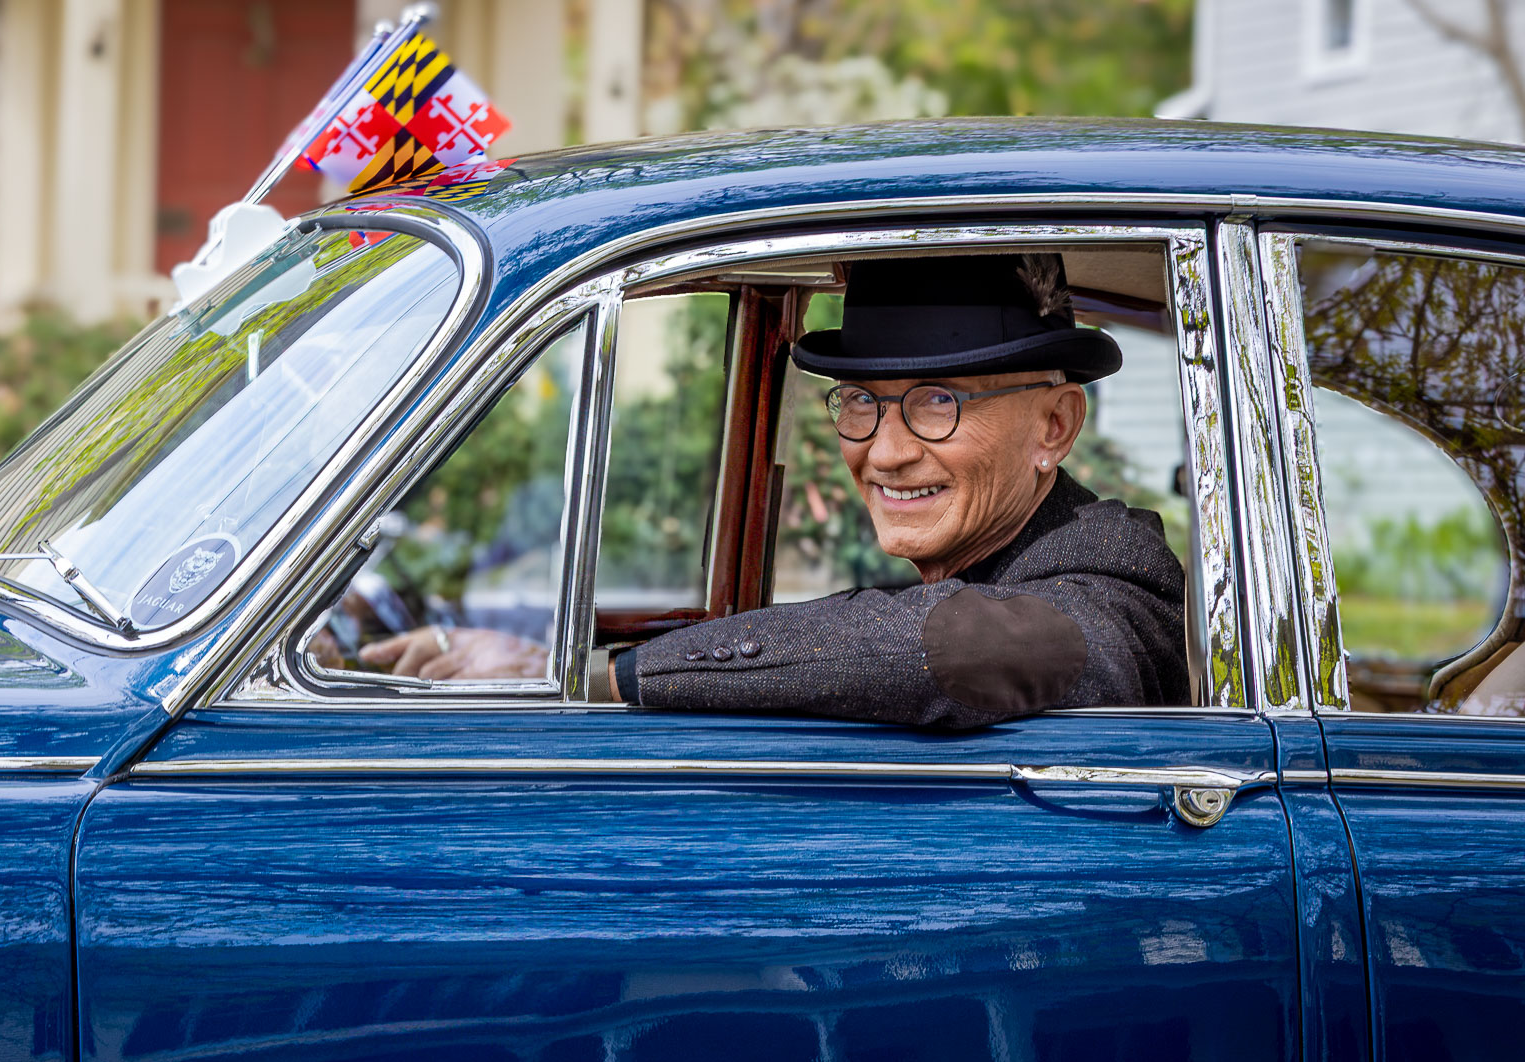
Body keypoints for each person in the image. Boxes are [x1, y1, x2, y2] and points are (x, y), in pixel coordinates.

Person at [367, 253, 1190, 727]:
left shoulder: (1111, 579)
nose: (887, 452)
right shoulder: (1002, 558)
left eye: (939, 401)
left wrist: (578, 676)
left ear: (1054, 425)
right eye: (862, 402)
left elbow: (946, 648)